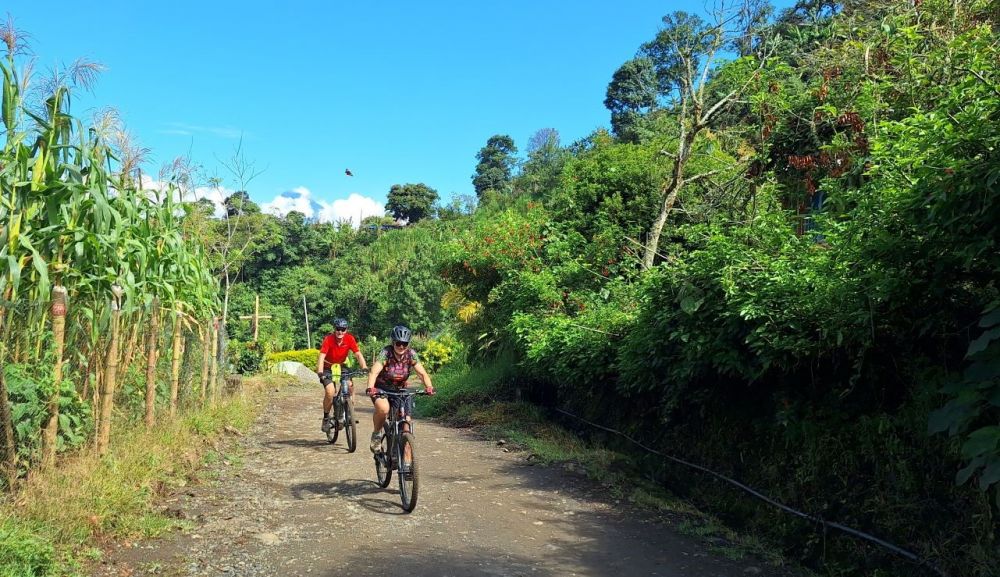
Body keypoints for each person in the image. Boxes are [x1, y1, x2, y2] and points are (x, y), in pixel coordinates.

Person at [365, 325, 434, 452]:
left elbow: (422, 374)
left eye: (404, 344)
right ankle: (376, 435)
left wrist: (429, 386)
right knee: (384, 409)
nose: (401, 347)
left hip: (400, 390)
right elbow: (374, 372)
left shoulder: (411, 354)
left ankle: (407, 456)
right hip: (382, 388)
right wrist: (370, 387)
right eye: (398, 343)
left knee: (406, 420)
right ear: (393, 342)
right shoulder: (386, 353)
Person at [316, 318, 369, 433]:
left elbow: (358, 354)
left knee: (350, 386)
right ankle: (326, 418)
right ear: (334, 329)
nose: (340, 332)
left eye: (343, 329)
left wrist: (364, 367)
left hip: (342, 365)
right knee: (330, 391)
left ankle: (349, 413)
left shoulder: (349, 339)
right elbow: (321, 357)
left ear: (346, 330)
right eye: (338, 329)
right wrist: (320, 372)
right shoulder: (328, 340)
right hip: (327, 367)